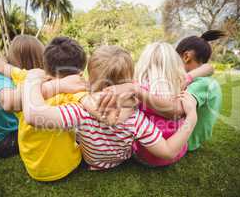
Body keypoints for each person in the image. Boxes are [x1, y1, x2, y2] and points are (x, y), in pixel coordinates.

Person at [21, 45, 198, 171]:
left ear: (90, 80)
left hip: (90, 160)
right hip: (119, 162)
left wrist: (31, 80)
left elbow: (34, 115)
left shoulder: (80, 109)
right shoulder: (136, 119)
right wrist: (191, 118)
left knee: (73, 130)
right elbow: (167, 152)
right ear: (131, 80)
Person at [94, 42, 213, 166]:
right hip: (178, 151)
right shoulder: (181, 84)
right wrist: (189, 76)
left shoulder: (137, 87)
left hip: (144, 155)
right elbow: (209, 68)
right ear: (174, 64)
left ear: (144, 62)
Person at [0, 36, 87, 181]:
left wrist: (2, 60)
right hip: (68, 165)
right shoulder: (76, 93)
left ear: (45, 66)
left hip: (34, 167)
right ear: (80, 73)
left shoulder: (26, 77)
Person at [176, 30, 223, 151]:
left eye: (175, 60)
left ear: (186, 57)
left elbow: (175, 111)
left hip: (183, 141)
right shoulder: (205, 80)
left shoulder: (201, 84)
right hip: (190, 139)